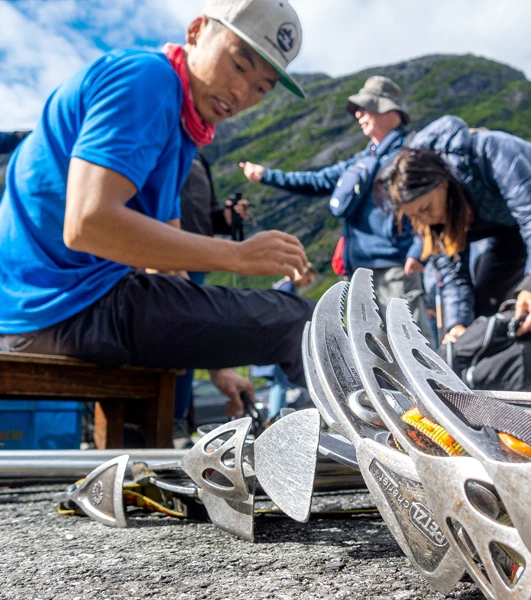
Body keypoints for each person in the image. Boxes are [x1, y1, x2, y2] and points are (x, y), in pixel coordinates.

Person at [0, 0, 315, 419]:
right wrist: (238, 255)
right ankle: (387, 432)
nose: (242, 93)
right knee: (299, 322)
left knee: (190, 361)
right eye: (239, 65)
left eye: (262, 88)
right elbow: (87, 224)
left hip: (60, 306)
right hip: (62, 305)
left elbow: (167, 269)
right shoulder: (147, 79)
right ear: (196, 31)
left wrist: (219, 363)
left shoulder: (180, 132)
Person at [374, 116, 531, 393]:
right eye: (414, 216)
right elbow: (454, 275)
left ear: (442, 182)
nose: (426, 219)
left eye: (426, 208)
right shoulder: (432, 217)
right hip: (508, 227)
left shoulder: (490, 151)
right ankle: (499, 396)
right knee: (486, 305)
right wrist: (458, 324)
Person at [239, 76, 433, 342]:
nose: (359, 115)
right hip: (359, 273)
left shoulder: (411, 153)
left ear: (389, 109)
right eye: (358, 110)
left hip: (397, 268)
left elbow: (433, 208)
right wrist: (267, 176)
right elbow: (317, 181)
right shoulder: (361, 159)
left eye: (366, 107)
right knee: (370, 349)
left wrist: (419, 251)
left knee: (410, 344)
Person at [172, 153, 251, 447]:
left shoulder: (199, 158)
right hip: (162, 252)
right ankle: (171, 419)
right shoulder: (162, 140)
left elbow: (207, 212)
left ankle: (179, 420)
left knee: (187, 334)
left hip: (198, 258)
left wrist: (227, 217)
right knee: (176, 331)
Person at [262, 266, 318, 421]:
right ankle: (275, 419)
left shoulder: (280, 285)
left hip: (274, 343)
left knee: (279, 384)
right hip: (281, 344)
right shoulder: (288, 287)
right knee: (281, 384)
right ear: (302, 273)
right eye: (308, 280)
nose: (306, 284)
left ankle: (274, 417)